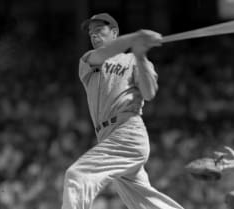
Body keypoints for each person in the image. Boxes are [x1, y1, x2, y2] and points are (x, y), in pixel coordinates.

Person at [61, 13, 185, 209]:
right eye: (91, 33)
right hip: (107, 137)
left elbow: (149, 93)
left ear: (114, 32)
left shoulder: (132, 60)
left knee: (77, 176)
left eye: (99, 30)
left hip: (127, 132)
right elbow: (105, 53)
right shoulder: (89, 62)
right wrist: (135, 38)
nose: (93, 36)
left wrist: (140, 55)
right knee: (144, 201)